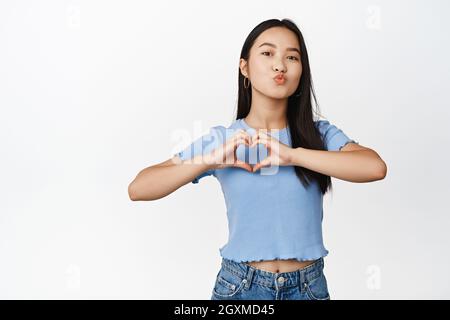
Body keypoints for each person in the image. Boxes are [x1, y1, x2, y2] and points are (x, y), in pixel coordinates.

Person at [128, 18, 387, 300]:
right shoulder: (223, 140)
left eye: (292, 56)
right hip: (239, 287)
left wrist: (292, 155)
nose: (280, 65)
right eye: (267, 53)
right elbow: (139, 188)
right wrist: (209, 160)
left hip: (308, 288)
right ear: (245, 68)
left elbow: (374, 167)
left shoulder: (319, 135)